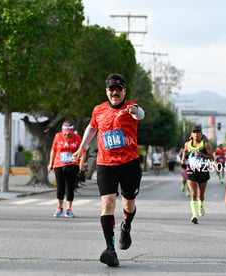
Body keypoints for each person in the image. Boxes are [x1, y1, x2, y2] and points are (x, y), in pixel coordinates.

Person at [71, 73, 145, 267]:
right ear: (106, 91)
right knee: (108, 204)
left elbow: (140, 114)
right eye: (111, 89)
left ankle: (126, 227)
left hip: (129, 163)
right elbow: (91, 128)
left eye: (118, 89)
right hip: (105, 164)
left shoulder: (131, 107)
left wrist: (134, 109)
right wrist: (82, 148)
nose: (115, 92)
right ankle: (110, 249)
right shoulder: (98, 110)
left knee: (128, 205)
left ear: (124, 91)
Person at [48, 121, 86, 218]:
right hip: (59, 164)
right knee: (60, 187)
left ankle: (69, 209)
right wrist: (51, 164)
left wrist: (81, 163)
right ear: (62, 130)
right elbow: (54, 150)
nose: (66, 134)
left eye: (69, 132)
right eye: (65, 132)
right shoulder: (57, 136)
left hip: (73, 165)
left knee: (70, 187)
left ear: (72, 131)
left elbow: (83, 151)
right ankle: (59, 207)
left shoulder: (77, 138)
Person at [180, 125, 213, 224]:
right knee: (193, 193)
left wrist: (202, 155)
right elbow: (185, 152)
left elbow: (211, 157)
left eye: (198, 132)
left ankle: (201, 206)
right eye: (194, 132)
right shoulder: (187, 144)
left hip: (203, 171)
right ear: (191, 134)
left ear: (201, 134)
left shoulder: (205, 145)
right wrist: (182, 159)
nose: (196, 134)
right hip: (191, 170)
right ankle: (194, 215)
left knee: (201, 194)